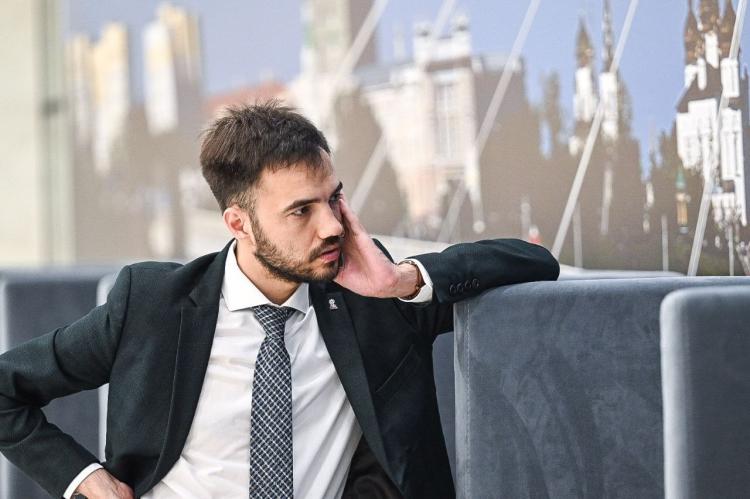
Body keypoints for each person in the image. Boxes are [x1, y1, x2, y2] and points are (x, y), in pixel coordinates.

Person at [0, 101, 559, 499]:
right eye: (300, 210)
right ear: (238, 223)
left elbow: (534, 261)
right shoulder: (151, 304)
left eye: (334, 199)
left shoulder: (371, 293)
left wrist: (403, 281)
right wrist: (85, 480)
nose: (331, 226)